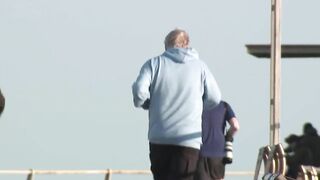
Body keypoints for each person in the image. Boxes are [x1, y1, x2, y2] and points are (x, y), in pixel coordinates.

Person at [132, 28, 221, 180]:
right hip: (187, 141)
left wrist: (148, 104)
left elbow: (140, 92)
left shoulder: (154, 64)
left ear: (167, 46)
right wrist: (198, 106)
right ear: (187, 44)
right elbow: (215, 98)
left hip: (159, 139)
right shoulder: (201, 67)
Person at [195, 100, 240, 180]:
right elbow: (235, 126)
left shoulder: (196, 105)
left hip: (200, 152)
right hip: (219, 154)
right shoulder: (224, 105)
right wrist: (228, 137)